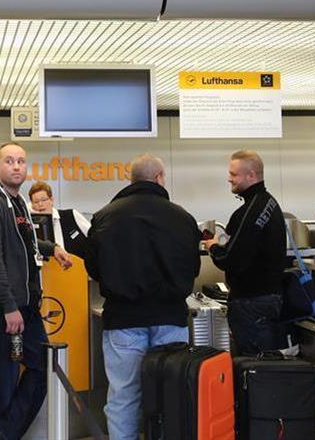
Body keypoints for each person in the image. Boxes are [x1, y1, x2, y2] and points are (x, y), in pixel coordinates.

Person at [84, 154, 201, 440]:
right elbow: (194, 267)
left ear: (131, 179)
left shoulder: (105, 216)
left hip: (123, 319)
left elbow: (93, 267)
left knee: (124, 395)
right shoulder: (183, 217)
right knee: (170, 394)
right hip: (170, 319)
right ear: (160, 178)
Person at [0, 142, 73, 440]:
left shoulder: (17, 202)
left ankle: (1, 432)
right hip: (5, 306)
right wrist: (8, 306)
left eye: (21, 161)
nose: (16, 166)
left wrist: (52, 249)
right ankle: (2, 433)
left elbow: (24, 242)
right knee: (8, 371)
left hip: (25, 303)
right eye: (9, 161)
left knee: (41, 365)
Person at [203, 150, 287, 355]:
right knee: (266, 362)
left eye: (233, 174)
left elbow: (231, 259)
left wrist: (213, 246)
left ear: (251, 175)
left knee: (255, 364)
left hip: (252, 302)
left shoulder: (251, 210)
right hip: (268, 298)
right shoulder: (269, 202)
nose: (229, 178)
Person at [28, 180, 91, 258]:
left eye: (44, 200)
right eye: (36, 202)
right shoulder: (31, 226)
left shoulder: (71, 215)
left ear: (51, 200)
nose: (40, 204)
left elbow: (93, 236)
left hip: (78, 264)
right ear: (31, 205)